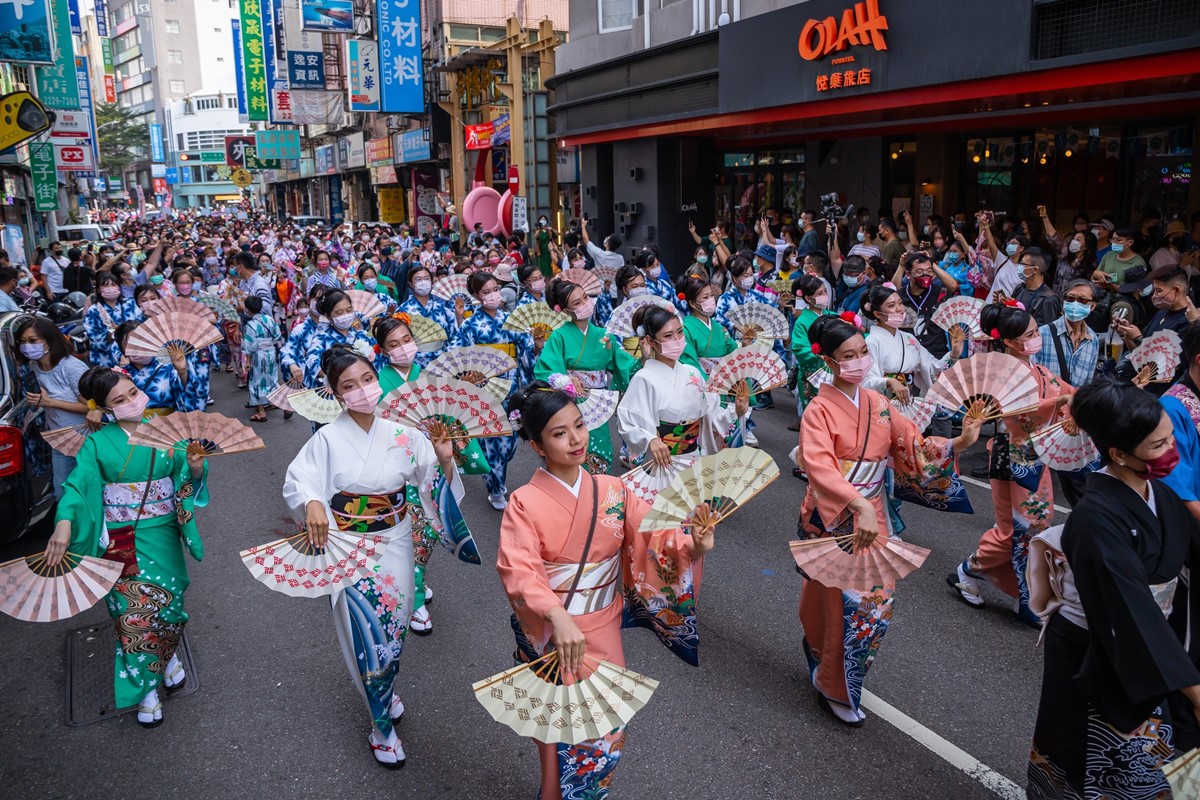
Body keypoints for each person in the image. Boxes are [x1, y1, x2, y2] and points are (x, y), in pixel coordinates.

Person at [497, 380, 714, 799]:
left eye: (579, 426)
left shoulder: (612, 490)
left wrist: (692, 543)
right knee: (566, 730)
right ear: (537, 445)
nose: (576, 439)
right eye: (560, 433)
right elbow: (518, 568)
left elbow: (654, 537)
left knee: (604, 730)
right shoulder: (524, 501)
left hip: (603, 625)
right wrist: (555, 615)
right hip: (555, 632)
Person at [282, 347, 471, 767]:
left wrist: (444, 460)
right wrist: (313, 501)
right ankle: (380, 726)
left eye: (367, 379)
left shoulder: (405, 434)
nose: (363, 391)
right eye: (349, 386)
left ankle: (384, 687)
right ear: (335, 394)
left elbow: (432, 488)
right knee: (365, 634)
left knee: (395, 626)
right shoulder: (327, 438)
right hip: (349, 547)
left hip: (397, 541)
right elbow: (301, 480)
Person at [796, 315, 981, 726]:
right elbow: (819, 467)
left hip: (873, 514)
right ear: (828, 361)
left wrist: (957, 441)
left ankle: (831, 674)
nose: (860, 361)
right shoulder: (818, 410)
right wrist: (855, 503)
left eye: (863, 352)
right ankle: (827, 668)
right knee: (836, 599)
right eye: (849, 356)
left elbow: (912, 443)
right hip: (836, 514)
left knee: (870, 606)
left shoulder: (878, 404)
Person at [1026, 377, 1200, 800]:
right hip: (1098, 647)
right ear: (1119, 453)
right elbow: (1131, 609)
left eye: (1170, 438)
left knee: (1143, 761)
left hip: (1147, 643)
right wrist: (1193, 689)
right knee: (1080, 753)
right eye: (1157, 446)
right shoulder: (1095, 517)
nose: (1170, 451)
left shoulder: (1160, 491)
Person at [44, 367, 209, 727]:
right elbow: (78, 487)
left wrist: (195, 469)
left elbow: (185, 474)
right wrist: (63, 525)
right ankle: (143, 690)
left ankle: (165, 658)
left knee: (169, 605)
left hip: (162, 532)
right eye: (120, 400)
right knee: (132, 615)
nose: (132, 401)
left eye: (133, 392)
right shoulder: (98, 443)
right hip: (121, 540)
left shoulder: (167, 432)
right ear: (104, 408)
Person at [950, 302, 1073, 624]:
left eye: (1036, 331)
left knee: (1029, 526)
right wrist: (1056, 402)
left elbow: (1065, 391)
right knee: (1024, 527)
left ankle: (1004, 586)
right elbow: (1018, 413)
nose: (1036, 338)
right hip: (1014, 452)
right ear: (1008, 341)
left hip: (1034, 453)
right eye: (1029, 334)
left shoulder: (1037, 369)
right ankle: (988, 578)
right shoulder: (1000, 372)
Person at [616, 305, 748, 470]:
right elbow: (628, 421)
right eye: (668, 335)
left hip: (694, 458)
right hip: (662, 462)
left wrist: (736, 412)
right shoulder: (644, 378)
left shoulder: (693, 373)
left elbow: (711, 416)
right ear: (650, 341)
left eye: (680, 332)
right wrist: (650, 439)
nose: (677, 340)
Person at [453, 271, 538, 510]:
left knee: (509, 443)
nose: (493, 295)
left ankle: (497, 476)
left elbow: (525, 349)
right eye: (486, 292)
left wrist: (535, 345)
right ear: (477, 296)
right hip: (485, 387)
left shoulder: (511, 318)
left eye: (495, 289)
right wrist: (467, 374)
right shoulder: (470, 324)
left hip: (510, 385)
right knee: (492, 442)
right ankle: (496, 488)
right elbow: (459, 355)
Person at [534, 280, 638, 474]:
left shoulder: (604, 336)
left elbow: (625, 365)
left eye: (585, 298)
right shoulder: (559, 336)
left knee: (601, 450)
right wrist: (564, 379)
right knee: (573, 449)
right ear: (564, 310)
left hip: (597, 402)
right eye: (577, 303)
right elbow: (544, 370)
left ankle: (598, 495)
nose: (585, 304)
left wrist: (646, 358)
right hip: (570, 403)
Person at [14, 316, 90, 495]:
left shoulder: (71, 367)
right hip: (59, 439)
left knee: (88, 489)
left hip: (84, 438)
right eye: (22, 342)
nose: (27, 346)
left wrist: (50, 402)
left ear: (49, 341)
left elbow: (90, 406)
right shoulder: (33, 367)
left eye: (33, 340)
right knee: (62, 492)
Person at [303, 290, 382, 389]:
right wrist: (330, 379)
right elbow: (312, 360)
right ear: (328, 316)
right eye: (338, 313)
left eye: (349, 310)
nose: (345, 315)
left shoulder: (363, 335)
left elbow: (380, 359)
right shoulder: (321, 339)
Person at [788, 274, 834, 437]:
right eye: (819, 294)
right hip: (812, 374)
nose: (824, 296)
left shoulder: (832, 316)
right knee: (814, 417)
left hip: (833, 372)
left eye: (825, 292)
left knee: (833, 418)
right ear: (808, 298)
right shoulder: (803, 321)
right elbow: (800, 348)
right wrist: (820, 355)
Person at [396, 264, 458, 367]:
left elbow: (455, 333)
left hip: (441, 360)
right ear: (411, 284)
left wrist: (459, 317)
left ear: (432, 282)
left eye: (426, 278)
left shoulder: (442, 309)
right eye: (418, 279)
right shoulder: (403, 311)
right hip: (414, 362)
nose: (423, 282)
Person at [83, 272, 143, 368]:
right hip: (106, 360)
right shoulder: (93, 311)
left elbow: (141, 324)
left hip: (134, 354)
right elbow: (94, 338)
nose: (110, 288)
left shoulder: (130, 303)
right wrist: (113, 334)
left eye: (113, 284)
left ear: (119, 286)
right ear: (98, 289)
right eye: (105, 285)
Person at [242, 295, 282, 423]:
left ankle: (261, 411)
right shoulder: (269, 319)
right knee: (272, 378)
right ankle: (279, 401)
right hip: (271, 351)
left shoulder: (251, 325)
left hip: (259, 354)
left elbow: (249, 346)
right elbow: (277, 335)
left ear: (247, 309)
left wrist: (247, 361)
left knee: (257, 381)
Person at [1012, 248, 1063, 327]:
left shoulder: (1049, 299)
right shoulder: (1020, 288)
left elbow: (1047, 331)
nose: (1019, 267)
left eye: (1022, 264)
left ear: (1035, 269)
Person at [1094, 225, 1146, 291]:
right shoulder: (1109, 255)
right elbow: (1093, 278)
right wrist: (1095, 273)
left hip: (1124, 299)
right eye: (1113, 240)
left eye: (1118, 240)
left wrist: (1113, 287)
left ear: (1130, 242)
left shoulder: (1138, 263)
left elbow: (1136, 291)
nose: (1114, 243)